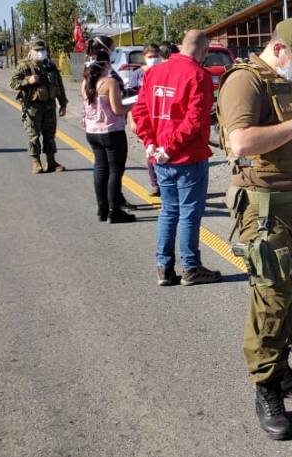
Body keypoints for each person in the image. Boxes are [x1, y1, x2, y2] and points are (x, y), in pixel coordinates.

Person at [216, 17, 292, 440]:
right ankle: (266, 388)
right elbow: (242, 143)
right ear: (280, 48)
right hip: (264, 206)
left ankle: (281, 370)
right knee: (270, 297)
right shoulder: (245, 82)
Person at [132, 30, 222, 287]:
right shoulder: (199, 75)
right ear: (204, 51)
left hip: (160, 155)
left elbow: (140, 111)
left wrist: (151, 143)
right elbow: (194, 120)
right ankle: (191, 266)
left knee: (168, 211)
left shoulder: (154, 72)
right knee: (189, 214)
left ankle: (164, 267)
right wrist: (169, 148)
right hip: (186, 156)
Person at [81, 51, 136, 223]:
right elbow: (118, 109)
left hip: (92, 132)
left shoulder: (85, 83)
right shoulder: (110, 82)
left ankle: (102, 210)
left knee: (101, 169)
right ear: (105, 64)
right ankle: (115, 211)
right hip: (111, 132)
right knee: (115, 171)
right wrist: (135, 104)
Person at [9, 39, 68, 174]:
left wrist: (63, 103)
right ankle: (36, 162)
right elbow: (13, 83)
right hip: (32, 107)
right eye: (37, 50)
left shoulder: (51, 66)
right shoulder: (24, 66)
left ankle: (51, 161)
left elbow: (59, 86)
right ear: (31, 51)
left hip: (49, 106)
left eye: (42, 50)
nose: (40, 53)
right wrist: (28, 81)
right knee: (34, 136)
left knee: (50, 135)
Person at [130, 44, 163, 197]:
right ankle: (155, 184)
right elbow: (131, 99)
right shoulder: (137, 74)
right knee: (150, 150)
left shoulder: (164, 72)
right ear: (144, 58)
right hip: (145, 118)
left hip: (160, 118)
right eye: (150, 57)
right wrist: (132, 120)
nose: (153, 60)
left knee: (162, 150)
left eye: (156, 56)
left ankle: (165, 183)